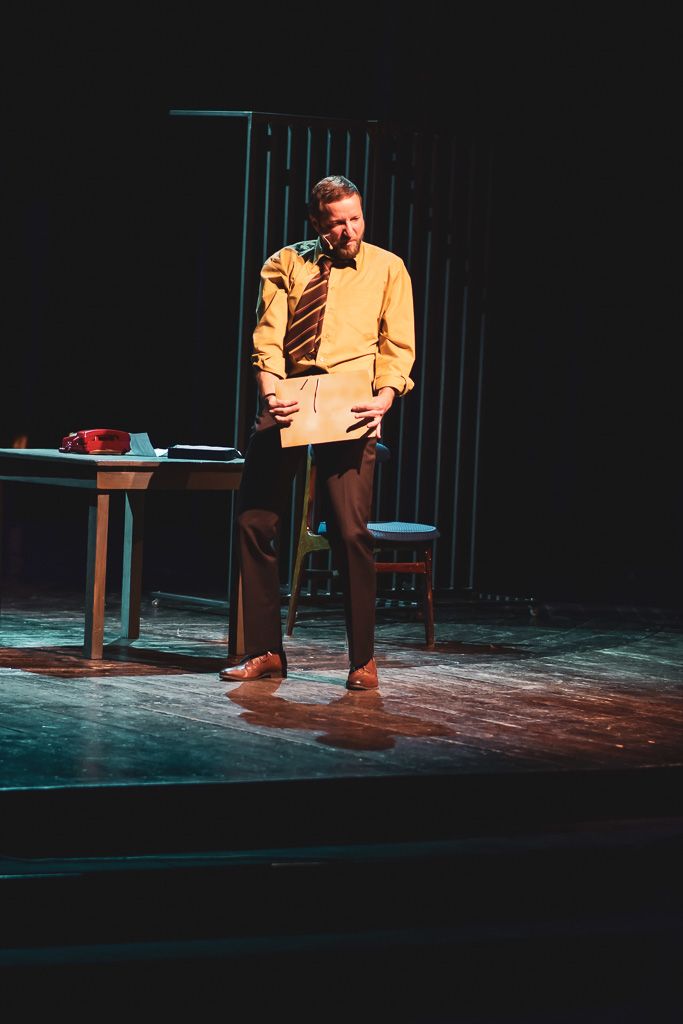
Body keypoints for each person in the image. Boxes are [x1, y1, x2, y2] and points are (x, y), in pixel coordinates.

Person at [219, 175, 415, 690]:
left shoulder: (388, 268)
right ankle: (265, 651)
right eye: (336, 223)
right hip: (291, 392)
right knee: (255, 520)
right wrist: (270, 392)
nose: (349, 231)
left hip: (349, 397)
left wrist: (385, 398)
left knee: (350, 531)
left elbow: (397, 346)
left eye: (355, 219)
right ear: (315, 222)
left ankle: (363, 659)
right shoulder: (285, 263)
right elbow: (267, 337)